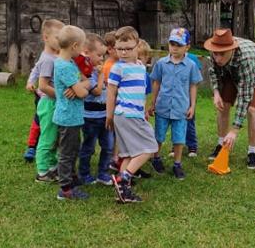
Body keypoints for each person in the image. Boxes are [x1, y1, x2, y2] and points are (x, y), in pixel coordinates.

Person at [204, 29, 255, 169]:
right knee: (223, 105)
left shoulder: (245, 60)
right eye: (215, 54)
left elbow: (244, 97)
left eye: (222, 54)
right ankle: (221, 144)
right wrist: (216, 92)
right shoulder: (215, 51)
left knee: (251, 110)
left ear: (232, 49)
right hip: (230, 70)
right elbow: (213, 72)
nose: (218, 58)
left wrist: (234, 130)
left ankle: (252, 152)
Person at [106, 27, 158, 203]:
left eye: (128, 49)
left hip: (135, 114)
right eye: (120, 49)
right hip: (125, 115)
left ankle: (123, 192)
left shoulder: (140, 67)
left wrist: (143, 111)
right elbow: (111, 93)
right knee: (149, 147)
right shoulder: (117, 68)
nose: (123, 53)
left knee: (129, 153)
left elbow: (140, 92)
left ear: (137, 45)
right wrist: (109, 116)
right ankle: (123, 178)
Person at [149, 28, 203, 179]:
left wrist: (192, 106)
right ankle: (156, 158)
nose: (174, 48)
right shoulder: (161, 63)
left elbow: (193, 86)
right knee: (159, 135)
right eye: (172, 44)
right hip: (163, 106)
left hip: (181, 108)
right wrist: (153, 103)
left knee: (179, 138)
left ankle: (177, 164)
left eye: (179, 45)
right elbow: (156, 83)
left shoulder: (191, 65)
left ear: (187, 47)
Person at [52, 25, 91, 200]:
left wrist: (79, 87)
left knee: (74, 149)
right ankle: (65, 189)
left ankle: (72, 178)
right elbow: (83, 92)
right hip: (68, 117)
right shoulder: (64, 66)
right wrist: (80, 89)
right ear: (74, 46)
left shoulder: (70, 63)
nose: (83, 50)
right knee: (67, 154)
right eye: (82, 46)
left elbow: (86, 81)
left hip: (74, 117)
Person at [24, 19, 65, 163]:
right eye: (58, 38)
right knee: (44, 129)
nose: (61, 41)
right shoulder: (48, 59)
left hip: (53, 99)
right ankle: (40, 161)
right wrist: (30, 82)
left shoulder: (55, 56)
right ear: (46, 38)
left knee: (52, 131)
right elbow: (41, 79)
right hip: (47, 99)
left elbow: (36, 68)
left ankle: (51, 160)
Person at [77, 34, 113, 186]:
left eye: (103, 55)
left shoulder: (97, 71)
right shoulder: (86, 73)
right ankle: (84, 174)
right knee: (89, 147)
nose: (102, 59)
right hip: (90, 118)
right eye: (99, 55)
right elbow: (97, 91)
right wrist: (101, 74)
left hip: (105, 115)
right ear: (86, 53)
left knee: (108, 146)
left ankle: (103, 173)